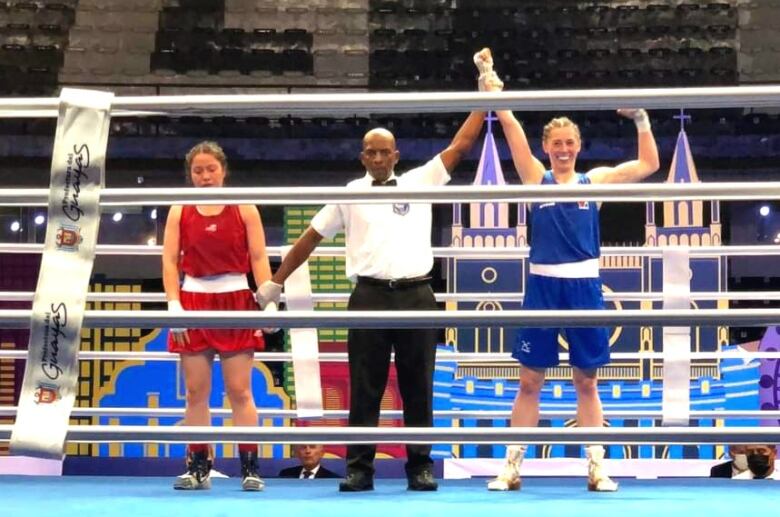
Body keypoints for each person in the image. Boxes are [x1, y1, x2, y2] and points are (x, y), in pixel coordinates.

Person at [256, 93, 487, 491]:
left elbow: (461, 145)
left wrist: (485, 98)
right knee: (365, 386)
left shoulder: (421, 180)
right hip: (368, 297)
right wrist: (275, 283)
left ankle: (420, 467)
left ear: (396, 155)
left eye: (384, 152)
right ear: (362, 157)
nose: (378, 159)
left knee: (419, 385)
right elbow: (309, 239)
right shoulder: (348, 193)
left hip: (417, 296)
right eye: (371, 153)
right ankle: (359, 469)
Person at [475, 49, 660, 492]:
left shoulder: (592, 182)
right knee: (528, 381)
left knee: (587, 380)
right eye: (555, 143)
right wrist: (488, 76)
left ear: (578, 147)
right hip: (541, 285)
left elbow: (648, 165)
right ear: (546, 147)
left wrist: (641, 120)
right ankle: (512, 466)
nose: (562, 149)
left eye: (568, 143)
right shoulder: (533, 176)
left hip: (584, 286)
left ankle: (597, 466)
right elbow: (510, 123)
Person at [162, 141, 274, 491]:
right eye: (198, 171)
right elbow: (168, 260)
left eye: (211, 169)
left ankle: (250, 467)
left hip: (237, 300)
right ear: (190, 175)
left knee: (240, 390)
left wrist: (268, 298)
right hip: (193, 300)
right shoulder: (180, 209)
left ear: (223, 171)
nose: (205, 176)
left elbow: (258, 257)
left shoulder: (244, 207)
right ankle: (198, 467)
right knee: (196, 391)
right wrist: (173, 304)